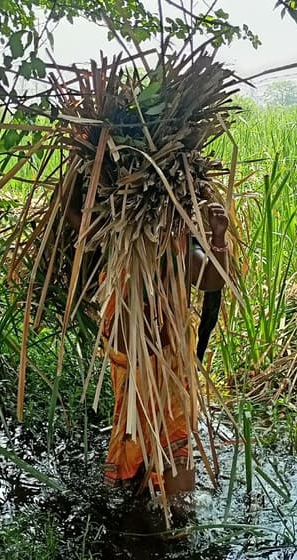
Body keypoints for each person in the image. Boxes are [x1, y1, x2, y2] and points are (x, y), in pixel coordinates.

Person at [63, 177, 229, 496]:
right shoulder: (117, 236)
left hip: (169, 374)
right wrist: (79, 164)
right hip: (131, 369)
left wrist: (218, 238)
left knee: (178, 493)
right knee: (132, 480)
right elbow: (72, 213)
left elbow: (211, 281)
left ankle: (172, 518)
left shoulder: (181, 246)